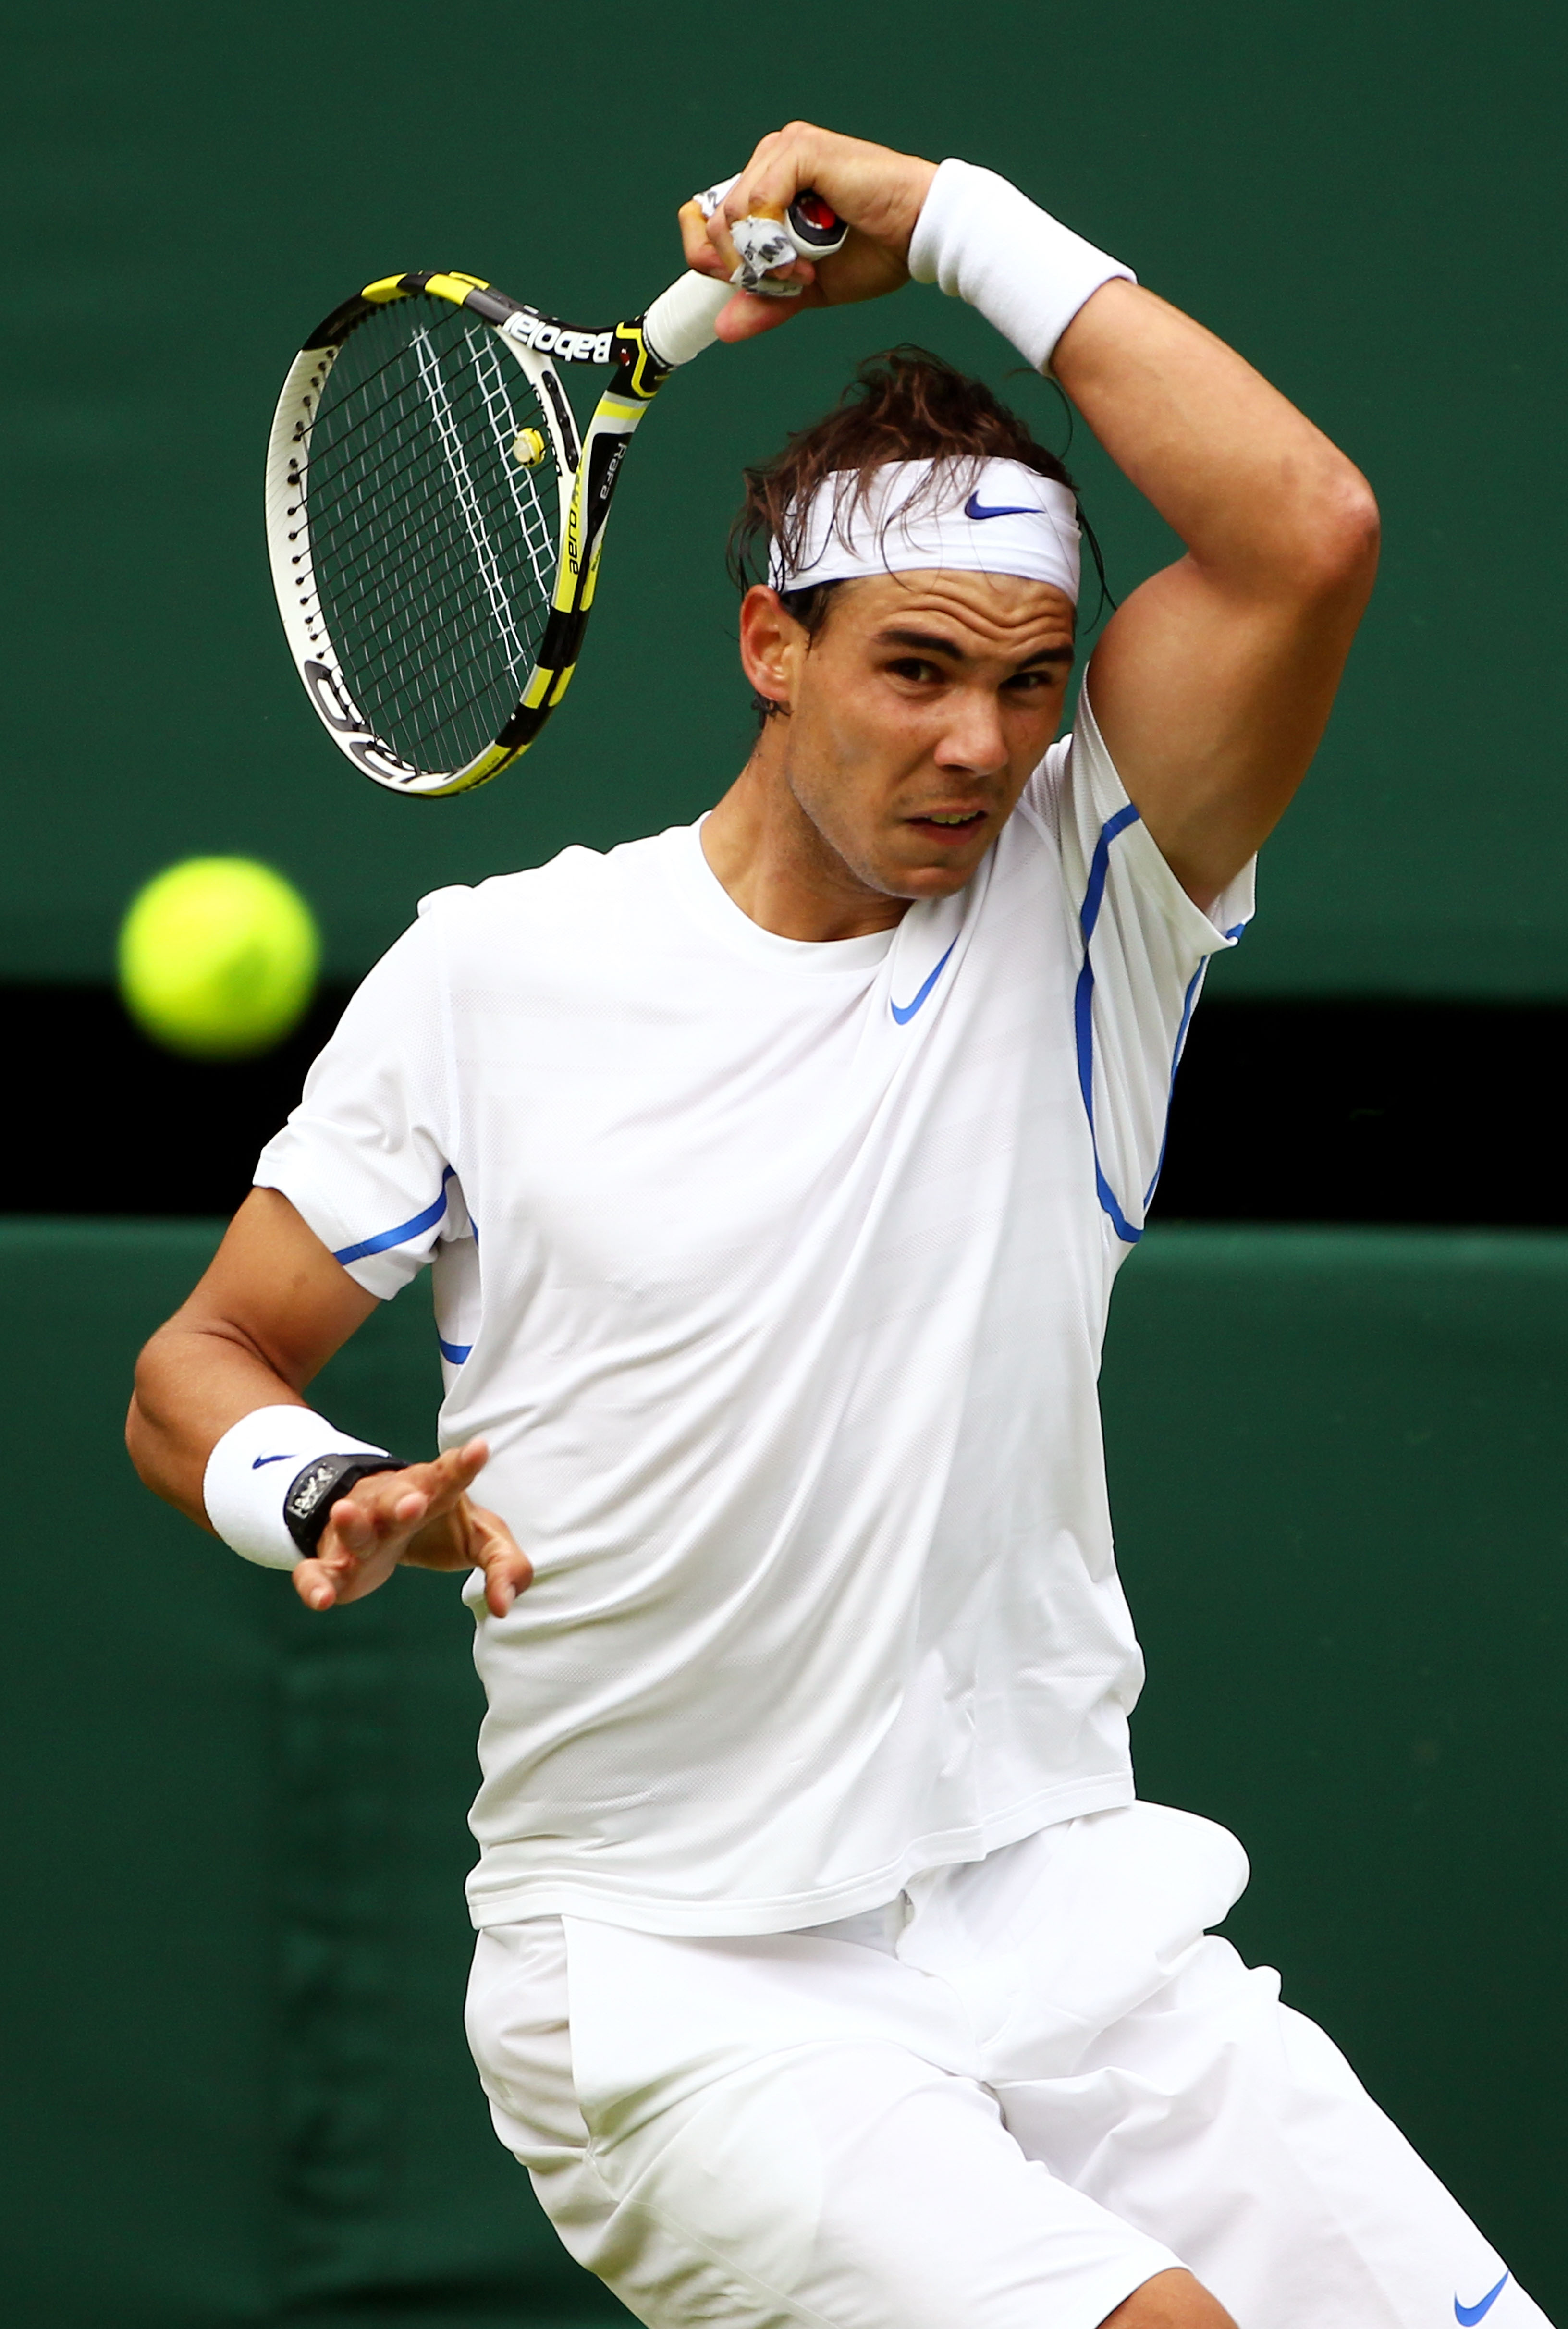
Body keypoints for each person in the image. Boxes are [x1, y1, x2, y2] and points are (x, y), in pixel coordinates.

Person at [128, 125, 1545, 2329]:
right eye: (914, 669)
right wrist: (327, 1481)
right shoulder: (497, 976)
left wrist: (948, 225)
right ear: (771, 646)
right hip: (681, 1991)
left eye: (1030, 679)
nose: (983, 744)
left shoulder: (1093, 903)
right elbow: (193, 1369)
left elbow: (1307, 528)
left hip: (1065, 1919)